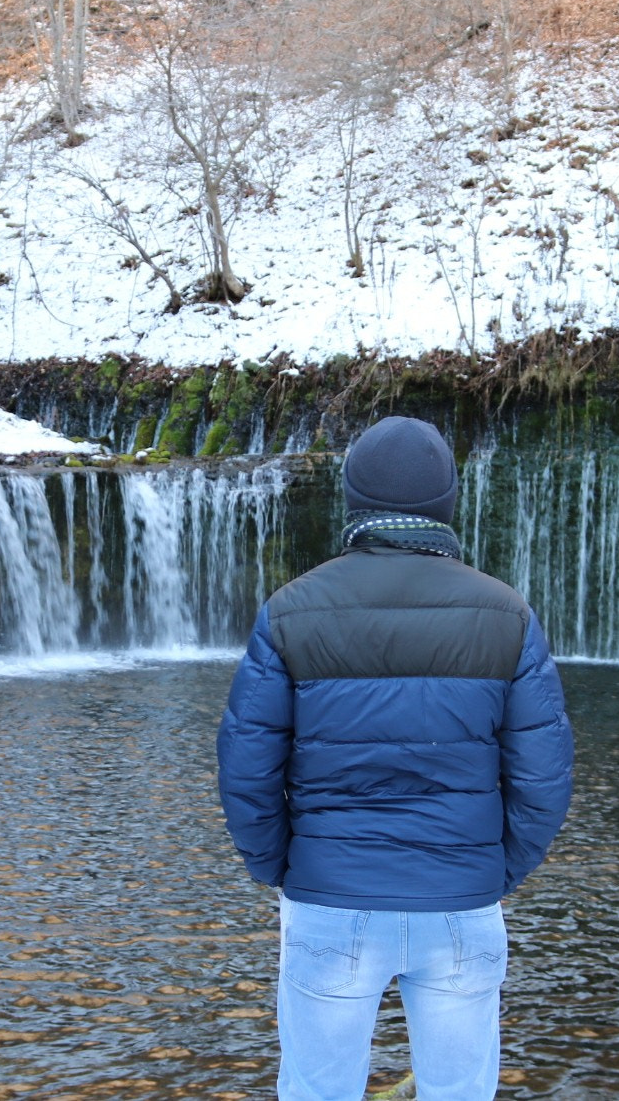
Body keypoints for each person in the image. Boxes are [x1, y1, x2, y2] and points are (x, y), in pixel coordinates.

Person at [217, 415, 576, 1101]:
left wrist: (280, 869)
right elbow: (544, 776)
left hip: (327, 894)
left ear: (355, 501)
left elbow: (246, 769)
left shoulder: (291, 611)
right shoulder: (506, 615)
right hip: (461, 898)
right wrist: (494, 870)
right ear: (445, 503)